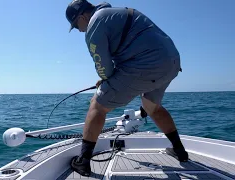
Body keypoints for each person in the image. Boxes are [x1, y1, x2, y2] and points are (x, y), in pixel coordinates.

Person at [65, 0, 188, 177]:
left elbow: (104, 68)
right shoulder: (118, 13)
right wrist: (109, 78)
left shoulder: (94, 24)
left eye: (76, 25)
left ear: (83, 16)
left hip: (145, 65)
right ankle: (180, 151)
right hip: (172, 62)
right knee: (151, 107)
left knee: (97, 105)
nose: (79, 30)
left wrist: (105, 79)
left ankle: (83, 162)